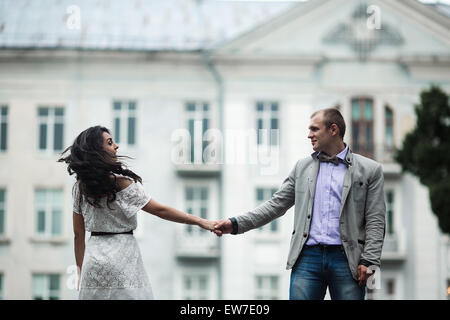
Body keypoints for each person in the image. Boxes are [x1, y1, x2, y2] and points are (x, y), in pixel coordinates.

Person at [214, 108, 386, 300]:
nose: (309, 135)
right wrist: (236, 223)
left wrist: (369, 260)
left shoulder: (370, 170)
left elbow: (376, 219)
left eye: (314, 129)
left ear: (333, 130)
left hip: (347, 260)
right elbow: (275, 205)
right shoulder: (302, 168)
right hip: (307, 259)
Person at [58, 126, 216, 300]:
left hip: (93, 262)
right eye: (110, 142)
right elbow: (160, 210)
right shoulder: (122, 184)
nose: (116, 146)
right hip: (122, 257)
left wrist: (81, 270)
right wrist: (200, 221)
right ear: (97, 151)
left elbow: (78, 234)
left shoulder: (79, 189)